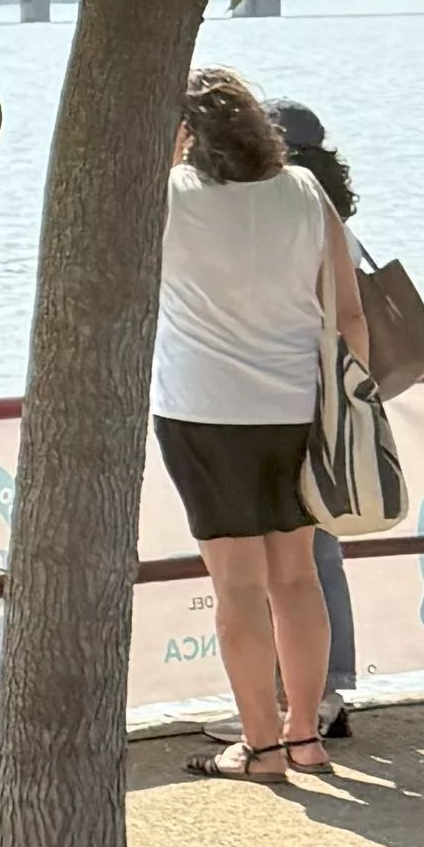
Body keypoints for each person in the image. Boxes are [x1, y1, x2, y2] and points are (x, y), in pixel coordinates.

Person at [152, 71, 358, 777]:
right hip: (295, 408)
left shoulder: (168, 198)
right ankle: (307, 737)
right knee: (296, 579)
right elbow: (350, 314)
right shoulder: (306, 192)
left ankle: (260, 745)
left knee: (237, 586)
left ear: (185, 134)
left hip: (201, 413)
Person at [272, 101, 364, 736]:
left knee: (302, 556)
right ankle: (325, 693)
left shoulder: (290, 217)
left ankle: (310, 697)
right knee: (317, 548)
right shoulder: (336, 221)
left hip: (289, 397)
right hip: (330, 395)